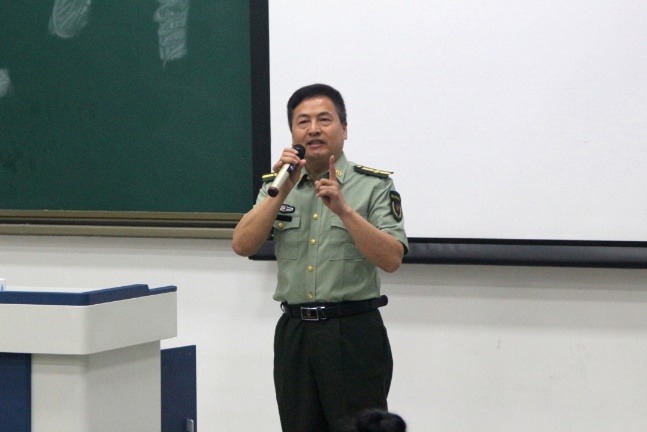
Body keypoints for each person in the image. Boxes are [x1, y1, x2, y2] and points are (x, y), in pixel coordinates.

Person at [232, 83, 408, 432]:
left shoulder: (373, 186)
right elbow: (243, 244)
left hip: (353, 332)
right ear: (293, 133)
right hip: (295, 334)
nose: (313, 129)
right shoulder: (277, 184)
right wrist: (280, 190)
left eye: (324, 120)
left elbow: (391, 259)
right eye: (303, 122)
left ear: (344, 128)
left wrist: (345, 211)